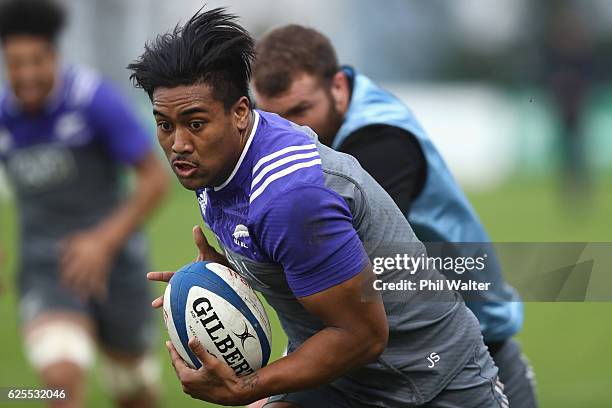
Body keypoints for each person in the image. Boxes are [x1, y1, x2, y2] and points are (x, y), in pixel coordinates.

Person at [130, 8, 508, 407]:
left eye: (195, 123)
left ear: (240, 112)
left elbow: (363, 336)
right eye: (165, 125)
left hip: (426, 380)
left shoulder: (289, 198)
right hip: (342, 378)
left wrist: (246, 388)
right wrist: (230, 273)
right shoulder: (216, 162)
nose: (178, 144)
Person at [252, 25, 537, 408]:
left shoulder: (380, 141)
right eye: (274, 117)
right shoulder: (314, 140)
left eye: (301, 111)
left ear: (338, 87)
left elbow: (352, 270)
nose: (289, 129)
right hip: (403, 344)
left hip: (468, 348)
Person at [0, 1, 169, 407]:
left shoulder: (93, 101)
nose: (26, 75)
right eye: (14, 64)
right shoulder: (5, 115)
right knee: (60, 382)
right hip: (46, 267)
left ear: (55, 56)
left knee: (134, 392)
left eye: (36, 61)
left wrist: (103, 241)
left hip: (117, 266)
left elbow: (154, 179)